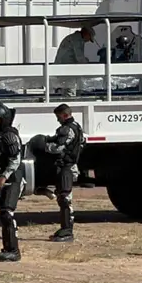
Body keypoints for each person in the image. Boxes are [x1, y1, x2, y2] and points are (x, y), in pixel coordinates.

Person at [0, 102, 25, 262]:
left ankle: (14, 251)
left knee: (8, 213)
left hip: (11, 179)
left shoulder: (9, 135)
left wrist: (4, 176)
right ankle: (7, 248)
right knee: (2, 214)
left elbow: (15, 159)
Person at [40, 104, 86, 243]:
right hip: (69, 165)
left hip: (66, 166)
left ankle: (67, 231)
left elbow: (58, 147)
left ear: (64, 115)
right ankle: (65, 229)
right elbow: (82, 143)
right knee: (63, 197)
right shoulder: (77, 126)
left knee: (65, 198)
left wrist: (44, 146)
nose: (58, 120)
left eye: (58, 116)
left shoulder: (67, 129)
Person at [53, 27, 95, 97]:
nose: (87, 41)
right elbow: (80, 58)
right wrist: (90, 67)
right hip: (66, 70)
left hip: (65, 69)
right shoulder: (77, 40)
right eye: (89, 38)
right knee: (70, 91)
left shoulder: (75, 38)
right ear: (86, 34)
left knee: (70, 89)